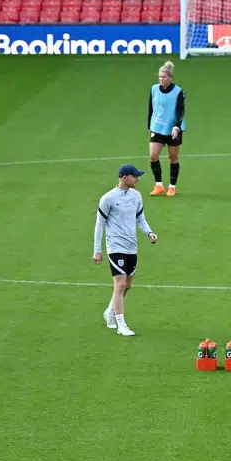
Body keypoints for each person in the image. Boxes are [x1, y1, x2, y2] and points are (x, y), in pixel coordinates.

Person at [92, 164, 159, 336]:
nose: (137, 179)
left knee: (127, 285)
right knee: (120, 284)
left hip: (131, 247)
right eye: (134, 176)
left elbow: (140, 218)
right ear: (124, 177)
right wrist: (97, 250)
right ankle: (121, 325)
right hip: (115, 247)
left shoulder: (136, 196)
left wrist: (149, 232)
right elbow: (99, 225)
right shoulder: (108, 198)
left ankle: (110, 311)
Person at [147, 61, 185, 196]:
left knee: (173, 157)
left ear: (170, 78)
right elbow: (151, 108)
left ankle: (172, 186)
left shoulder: (178, 91)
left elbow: (181, 111)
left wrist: (177, 126)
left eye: (164, 77)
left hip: (172, 128)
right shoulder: (154, 89)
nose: (161, 79)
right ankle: (158, 185)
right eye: (160, 77)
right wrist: (149, 126)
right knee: (153, 156)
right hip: (157, 127)